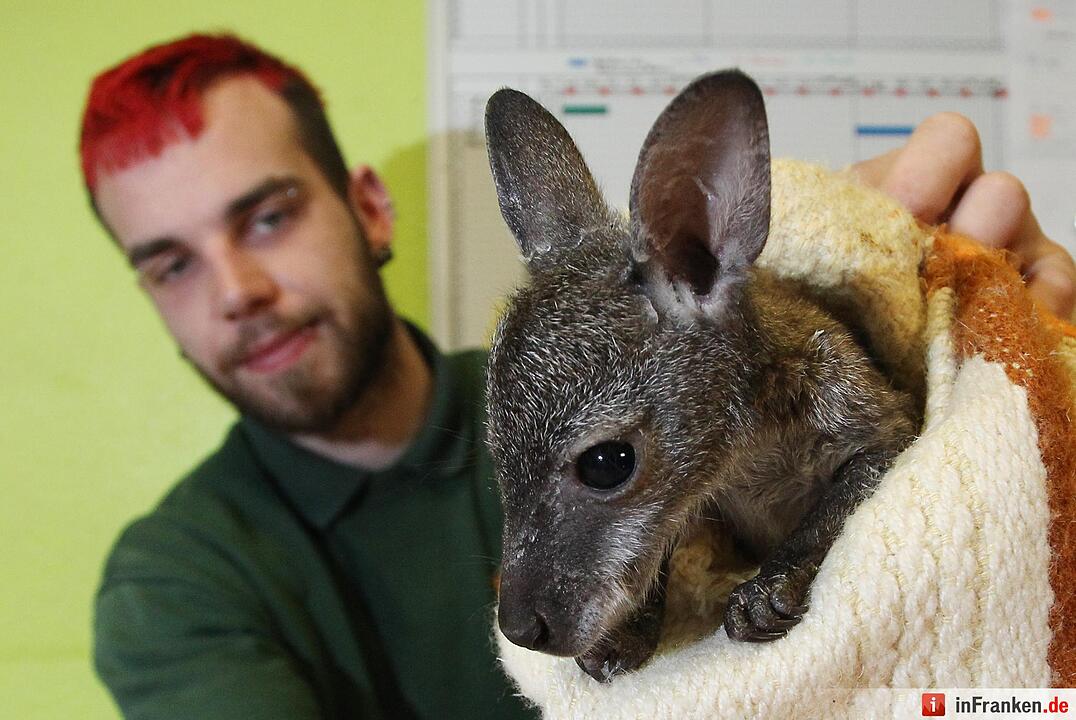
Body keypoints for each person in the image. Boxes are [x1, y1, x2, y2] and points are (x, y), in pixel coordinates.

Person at [82, 33, 1075, 720]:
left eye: (267, 217)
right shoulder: (174, 582)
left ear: (371, 209)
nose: (238, 291)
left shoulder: (634, 369)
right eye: (170, 263)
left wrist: (1014, 364)